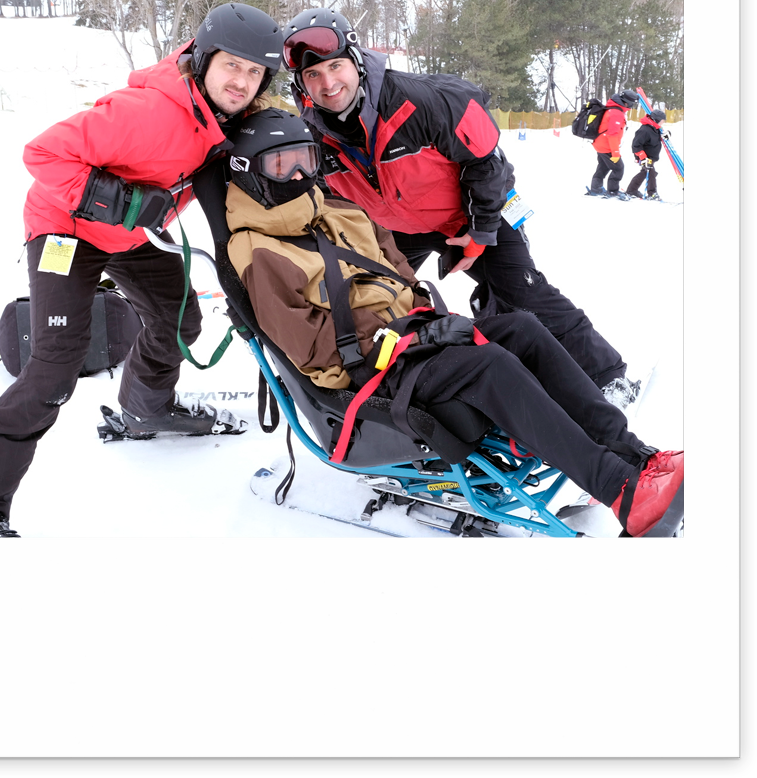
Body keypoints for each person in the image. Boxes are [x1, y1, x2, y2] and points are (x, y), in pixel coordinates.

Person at [224, 109, 684, 537]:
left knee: (521, 327)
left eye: (305, 159)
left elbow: (400, 271)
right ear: (251, 173)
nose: (300, 174)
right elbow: (313, 353)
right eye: (281, 165)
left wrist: (427, 322)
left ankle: (636, 458)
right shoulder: (258, 251)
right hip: (372, 374)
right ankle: (621, 490)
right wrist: (405, 337)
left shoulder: (339, 211)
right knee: (490, 367)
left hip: (412, 340)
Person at [0, 3, 285, 538]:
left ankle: (145, 409)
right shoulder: (148, 113)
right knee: (55, 366)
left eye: (253, 72)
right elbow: (43, 154)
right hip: (66, 227)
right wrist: (113, 199)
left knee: (179, 322)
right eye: (231, 65)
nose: (241, 80)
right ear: (204, 58)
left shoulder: (227, 121)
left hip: (131, 234)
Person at [280, 7, 637, 403]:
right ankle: (387, 406)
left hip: (472, 210)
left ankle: (607, 376)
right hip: (400, 227)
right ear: (301, 84)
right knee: (373, 304)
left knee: (522, 292)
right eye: (313, 75)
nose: (328, 83)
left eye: (336, 67)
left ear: (357, 61)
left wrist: (480, 231)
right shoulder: (312, 134)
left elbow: (488, 162)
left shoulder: (423, 102)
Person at [589, 89, 639, 197]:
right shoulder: (616, 113)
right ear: (627, 102)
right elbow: (612, 134)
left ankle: (595, 188)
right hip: (606, 146)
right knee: (618, 168)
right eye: (632, 103)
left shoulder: (612, 108)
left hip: (599, 143)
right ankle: (612, 190)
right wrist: (615, 152)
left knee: (603, 166)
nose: (632, 106)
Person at [624, 108, 667, 200]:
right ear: (656, 120)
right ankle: (652, 193)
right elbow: (636, 145)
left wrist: (667, 134)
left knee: (645, 173)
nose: (662, 123)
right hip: (645, 157)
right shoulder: (645, 130)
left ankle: (632, 190)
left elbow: (658, 135)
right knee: (650, 173)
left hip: (651, 157)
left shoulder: (655, 128)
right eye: (662, 121)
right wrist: (643, 158)